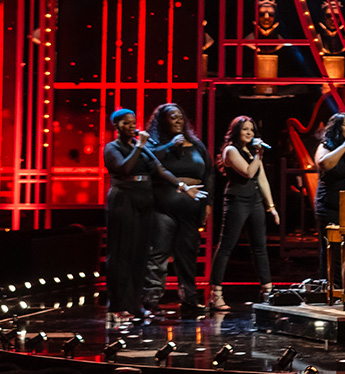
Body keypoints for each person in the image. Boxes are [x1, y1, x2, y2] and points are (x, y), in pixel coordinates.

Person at [104, 109, 202, 322]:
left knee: (140, 254)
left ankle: (134, 305)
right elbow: (124, 168)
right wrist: (139, 146)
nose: (132, 127)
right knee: (122, 253)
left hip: (144, 200)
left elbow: (160, 170)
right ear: (117, 126)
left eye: (133, 123)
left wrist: (183, 186)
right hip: (124, 200)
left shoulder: (140, 148)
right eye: (126, 123)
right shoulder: (113, 148)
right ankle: (118, 305)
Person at [144, 104, 213, 318]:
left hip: (191, 210)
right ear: (163, 121)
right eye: (173, 118)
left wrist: (208, 203)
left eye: (180, 118)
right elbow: (149, 164)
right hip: (163, 206)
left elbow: (209, 174)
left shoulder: (196, 145)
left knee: (188, 254)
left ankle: (190, 301)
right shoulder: (155, 144)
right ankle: (151, 301)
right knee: (159, 254)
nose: (178, 121)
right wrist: (168, 147)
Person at [210, 116, 280, 311]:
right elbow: (248, 173)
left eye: (251, 129)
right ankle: (215, 293)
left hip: (255, 201)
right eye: (245, 129)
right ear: (235, 132)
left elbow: (262, 178)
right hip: (237, 201)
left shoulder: (251, 152)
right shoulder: (230, 150)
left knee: (260, 246)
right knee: (226, 246)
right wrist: (259, 155)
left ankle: (267, 290)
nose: (249, 133)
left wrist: (271, 206)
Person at [313, 113, 345, 292]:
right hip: (330, 205)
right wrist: (344, 146)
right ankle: (331, 289)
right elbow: (324, 164)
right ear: (336, 127)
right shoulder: (326, 146)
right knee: (332, 248)